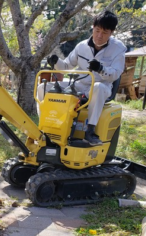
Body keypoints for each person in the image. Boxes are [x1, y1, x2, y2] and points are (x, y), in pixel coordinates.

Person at [38, 10, 126, 146]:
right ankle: (43, 127)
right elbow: (66, 66)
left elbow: (115, 74)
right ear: (93, 27)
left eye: (104, 33)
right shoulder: (82, 46)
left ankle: (90, 131)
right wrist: (56, 61)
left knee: (98, 87)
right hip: (79, 85)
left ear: (111, 32)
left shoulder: (118, 49)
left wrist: (101, 69)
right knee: (42, 87)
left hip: (101, 87)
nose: (99, 36)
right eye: (97, 31)